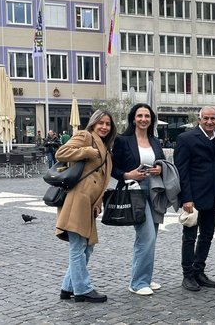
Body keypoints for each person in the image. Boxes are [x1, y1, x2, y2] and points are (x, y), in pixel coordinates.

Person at [53, 109, 116, 303]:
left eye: (107, 124)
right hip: (77, 200)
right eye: (101, 123)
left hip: (89, 203)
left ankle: (68, 286)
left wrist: (98, 203)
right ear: (93, 124)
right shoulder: (85, 136)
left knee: (86, 247)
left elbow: (102, 180)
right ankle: (82, 289)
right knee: (78, 246)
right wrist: (85, 152)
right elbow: (61, 153)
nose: (104, 127)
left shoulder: (106, 147)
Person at [111, 103, 166, 296]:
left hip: (155, 190)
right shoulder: (123, 140)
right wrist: (128, 175)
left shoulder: (155, 140)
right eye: (140, 116)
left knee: (150, 237)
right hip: (135, 191)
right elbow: (113, 169)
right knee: (147, 236)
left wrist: (159, 168)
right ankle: (138, 282)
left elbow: (161, 162)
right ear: (133, 118)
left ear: (151, 120)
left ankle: (145, 277)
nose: (144, 119)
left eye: (147, 116)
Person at [174, 106, 215, 292]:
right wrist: (186, 198)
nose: (210, 122)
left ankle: (198, 270)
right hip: (192, 198)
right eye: (206, 119)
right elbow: (182, 171)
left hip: (212, 197)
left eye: (213, 119)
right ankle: (187, 275)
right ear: (199, 120)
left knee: (207, 236)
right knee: (189, 238)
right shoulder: (186, 139)